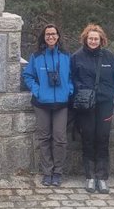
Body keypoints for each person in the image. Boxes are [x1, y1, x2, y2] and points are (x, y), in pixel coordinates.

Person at [70, 23, 114, 194]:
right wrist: (82, 90)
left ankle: (102, 177)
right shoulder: (77, 57)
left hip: (105, 104)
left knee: (102, 138)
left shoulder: (110, 57)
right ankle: (90, 176)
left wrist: (111, 92)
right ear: (85, 39)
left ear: (101, 40)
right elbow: (72, 78)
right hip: (86, 105)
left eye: (96, 38)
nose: (93, 41)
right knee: (88, 138)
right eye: (90, 38)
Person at [22, 24, 73, 187]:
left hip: (61, 104)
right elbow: (28, 76)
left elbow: (72, 76)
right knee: (44, 138)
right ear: (44, 37)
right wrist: (38, 91)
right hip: (42, 104)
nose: (51, 36)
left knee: (60, 138)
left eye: (53, 34)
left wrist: (68, 90)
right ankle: (47, 172)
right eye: (47, 34)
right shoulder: (36, 56)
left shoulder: (66, 56)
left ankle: (58, 172)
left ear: (58, 36)